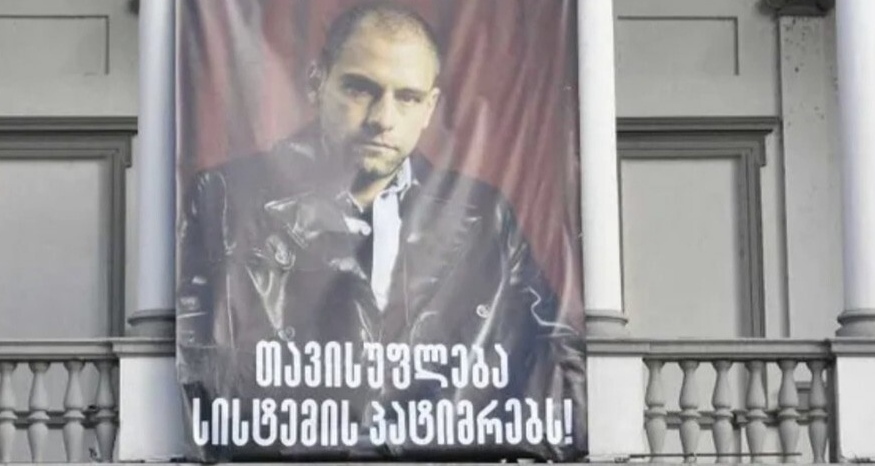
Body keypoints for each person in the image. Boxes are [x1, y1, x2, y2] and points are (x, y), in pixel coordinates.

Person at [177, 0, 585, 460]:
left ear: (430, 107)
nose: (382, 119)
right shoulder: (228, 198)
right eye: (360, 89)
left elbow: (558, 352)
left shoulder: (483, 214)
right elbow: (203, 362)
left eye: (407, 97)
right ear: (317, 84)